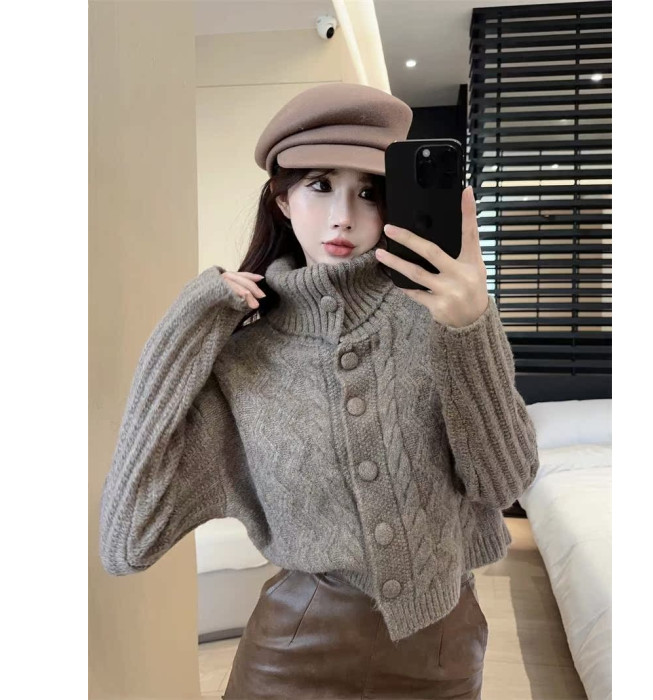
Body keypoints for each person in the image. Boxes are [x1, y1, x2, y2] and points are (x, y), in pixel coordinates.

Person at [99, 83, 540, 700]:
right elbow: (127, 542)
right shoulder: (244, 360)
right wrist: (183, 328)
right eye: (320, 185)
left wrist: (472, 329)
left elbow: (505, 484)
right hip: (292, 651)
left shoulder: (442, 324)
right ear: (282, 200)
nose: (344, 216)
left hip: (441, 650)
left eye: (369, 192)